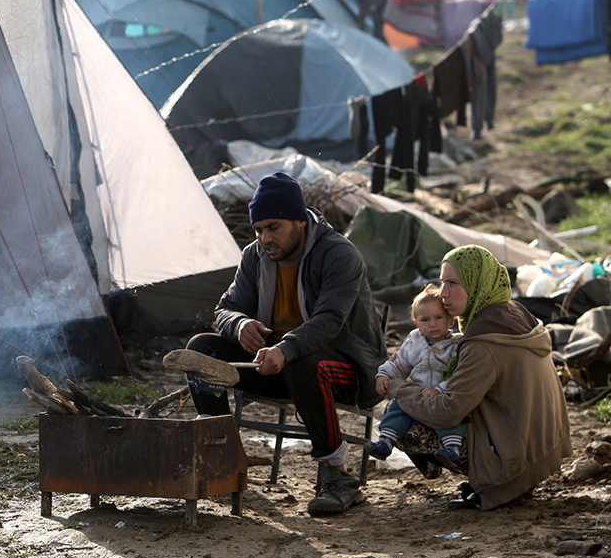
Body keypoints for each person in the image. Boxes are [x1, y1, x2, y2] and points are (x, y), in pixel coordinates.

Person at [184, 172, 386, 516]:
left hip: (347, 367)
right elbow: (225, 309)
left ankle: (337, 476)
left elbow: (328, 321)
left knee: (304, 363)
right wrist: (240, 324)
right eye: (259, 229)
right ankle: (223, 460)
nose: (265, 238)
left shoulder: (339, 254)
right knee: (200, 350)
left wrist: (284, 349)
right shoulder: (255, 256)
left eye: (273, 227)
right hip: (280, 362)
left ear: (299, 221)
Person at [390, 245, 573, 510]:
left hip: (515, 459)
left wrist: (399, 388)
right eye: (442, 283)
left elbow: (447, 412)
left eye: (453, 283)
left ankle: (498, 484)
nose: (443, 294)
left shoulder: (483, 342)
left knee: (402, 418)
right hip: (544, 443)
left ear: (477, 283)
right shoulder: (514, 312)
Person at [364, 284, 464, 469]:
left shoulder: (455, 346)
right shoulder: (414, 341)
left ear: (451, 321)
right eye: (425, 320)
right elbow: (400, 364)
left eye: (439, 318)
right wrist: (384, 374)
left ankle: (452, 449)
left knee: (449, 415)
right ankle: (386, 442)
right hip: (418, 397)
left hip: (442, 397)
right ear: (417, 323)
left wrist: (441, 389)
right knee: (396, 406)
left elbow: (458, 373)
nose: (432, 324)